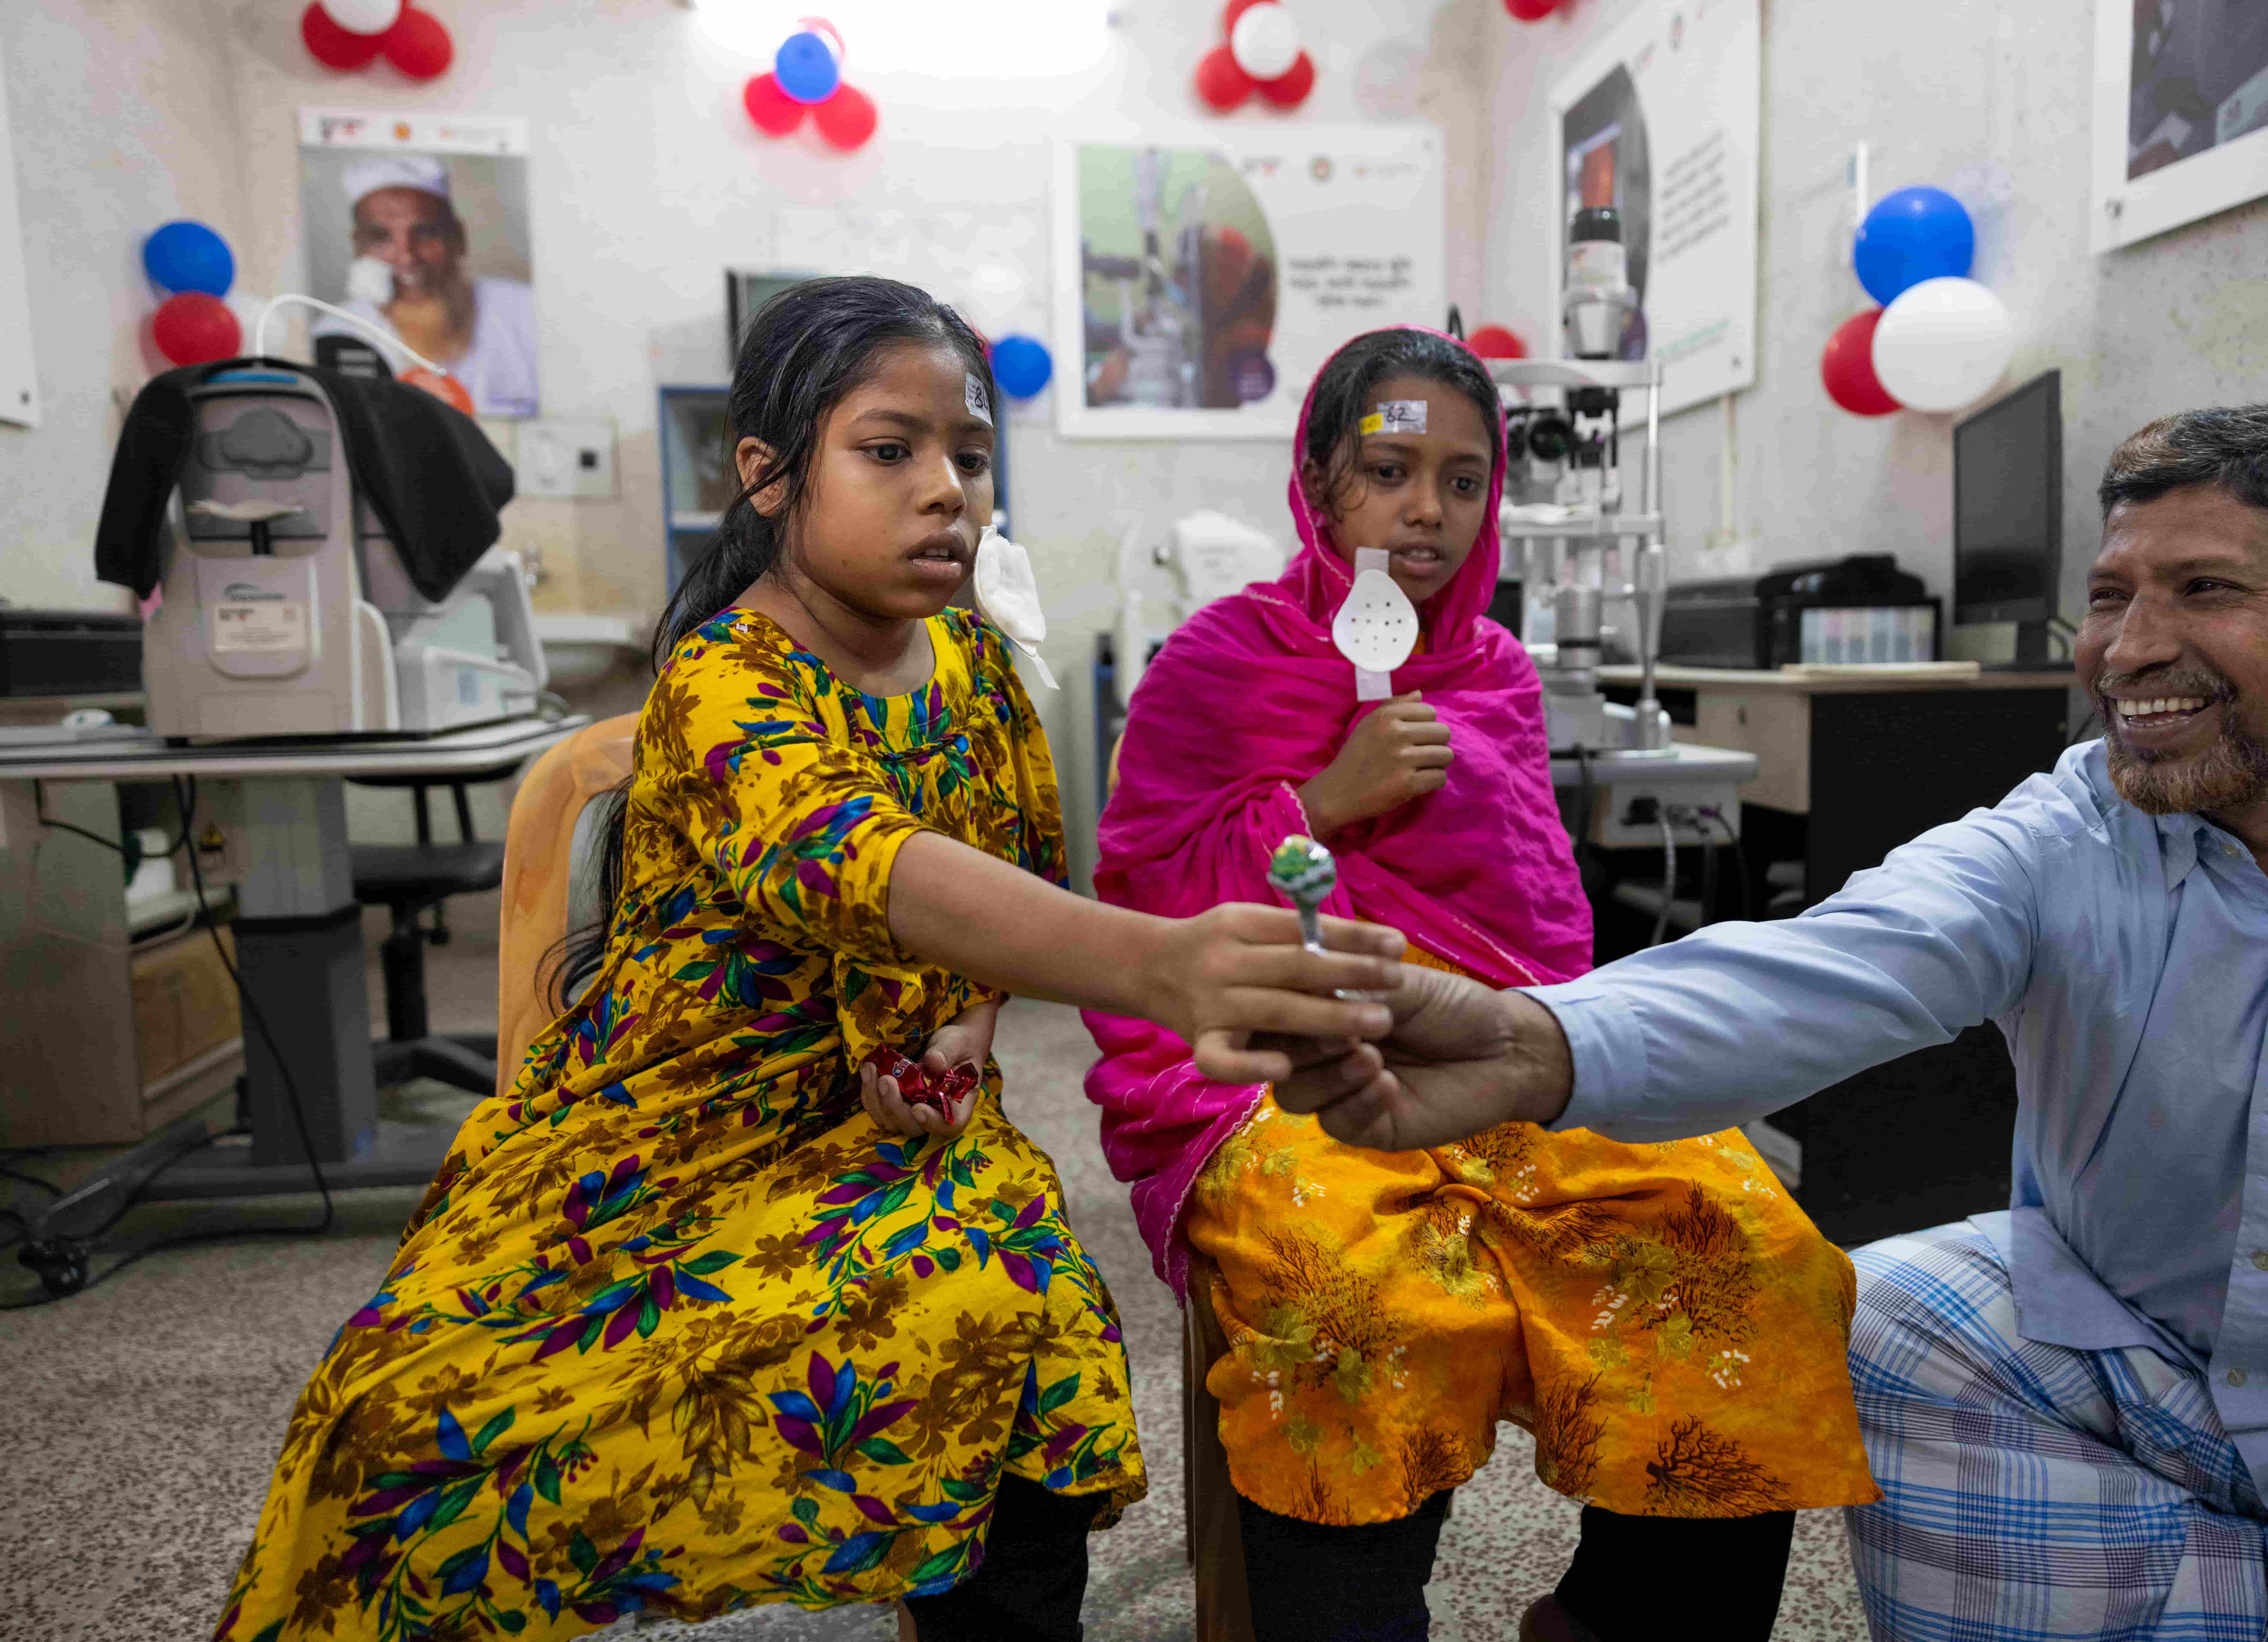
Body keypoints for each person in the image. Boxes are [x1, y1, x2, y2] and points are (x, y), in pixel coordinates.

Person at [213, 276, 1402, 1642]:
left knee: (1017, 1310)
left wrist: (960, 1036)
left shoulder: (977, 670)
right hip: (658, 1146)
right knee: (403, 1431)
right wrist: (1160, 965)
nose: (946, 490)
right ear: (768, 477)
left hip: (896, 1138)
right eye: (890, 451)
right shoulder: (726, 679)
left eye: (967, 455)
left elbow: (997, 887)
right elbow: (849, 851)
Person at [1271, 405, 2268, 1640]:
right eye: (2107, 597)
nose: (2127, 650)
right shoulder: (2073, 826)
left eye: (2203, 589)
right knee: (1885, 1316)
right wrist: (1529, 1042)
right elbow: (1830, 963)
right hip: (2135, 1351)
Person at [1084, 325, 1877, 1642]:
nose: (1427, 511)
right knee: (1357, 1298)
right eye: (1389, 469)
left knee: (1748, 1242)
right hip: (1292, 1059)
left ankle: (1624, 1617)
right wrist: (1319, 804)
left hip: (1507, 1049)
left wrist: (1522, 1032)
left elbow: (1545, 933)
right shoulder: (1216, 664)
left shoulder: (1495, 675)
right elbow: (1145, 901)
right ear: (1321, 481)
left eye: (1463, 480)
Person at [320, 154, 539, 416]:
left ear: (459, 238)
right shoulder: (336, 331)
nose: (407, 257)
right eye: (382, 238)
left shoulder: (529, 313)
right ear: (358, 247)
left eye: (425, 234)